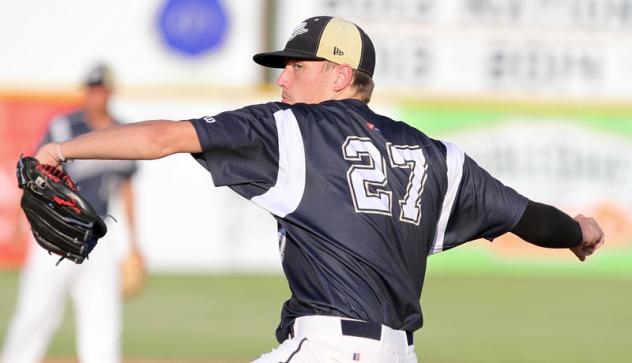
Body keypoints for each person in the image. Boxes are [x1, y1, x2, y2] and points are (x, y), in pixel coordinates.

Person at [29, 17, 604, 362]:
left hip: (330, 348)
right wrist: (580, 231)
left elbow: (162, 138)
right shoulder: (442, 158)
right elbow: (529, 218)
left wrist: (61, 150)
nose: (282, 77)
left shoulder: (288, 130)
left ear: (339, 75)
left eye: (296, 66)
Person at [1, 64, 142, 363]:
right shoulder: (63, 128)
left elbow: (127, 189)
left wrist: (134, 245)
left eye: (101, 90)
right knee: (36, 311)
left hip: (98, 235)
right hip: (55, 231)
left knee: (102, 315)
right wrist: (17, 224)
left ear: (110, 93)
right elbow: (33, 174)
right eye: (91, 89)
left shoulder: (123, 132)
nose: (96, 96)